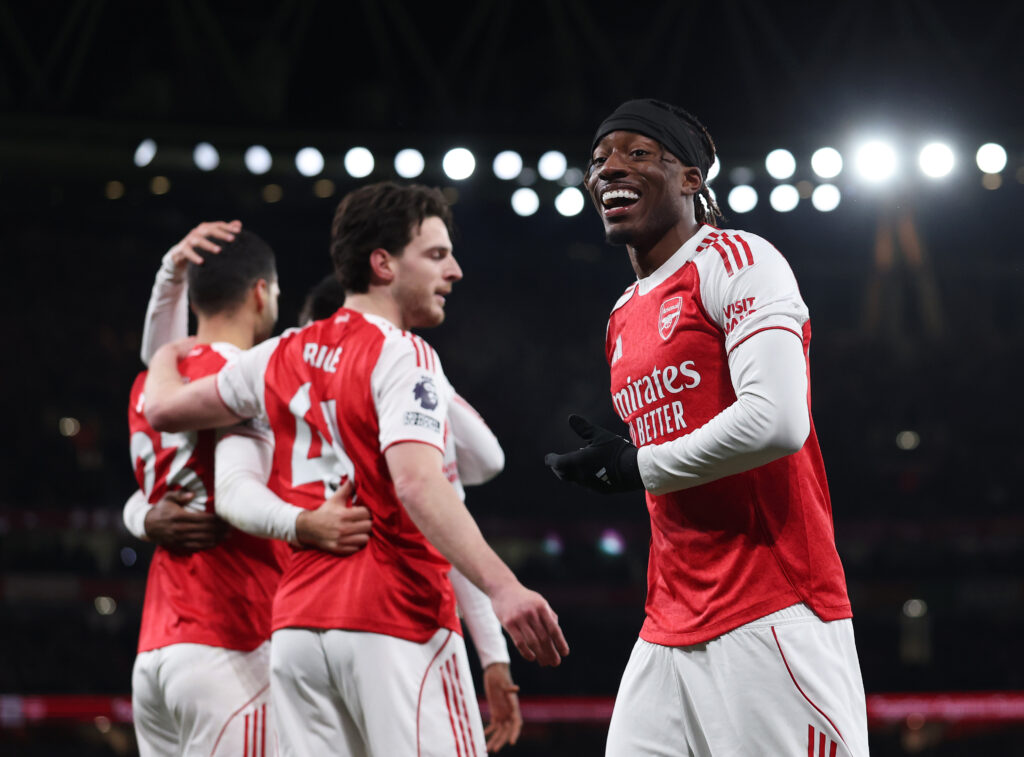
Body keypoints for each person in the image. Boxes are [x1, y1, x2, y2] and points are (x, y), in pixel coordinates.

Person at [142, 183, 566, 756]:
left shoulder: (278, 353)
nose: (456, 272)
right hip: (396, 617)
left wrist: (168, 356)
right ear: (383, 264)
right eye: (437, 255)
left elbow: (163, 410)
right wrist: (504, 588)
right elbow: (423, 483)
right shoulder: (405, 354)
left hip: (296, 631)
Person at [545, 99, 869, 756]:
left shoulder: (740, 259)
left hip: (772, 608)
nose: (610, 168)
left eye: (638, 153)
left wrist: (638, 464)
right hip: (668, 622)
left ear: (692, 178)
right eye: (599, 158)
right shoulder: (620, 314)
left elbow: (777, 422)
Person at [125, 222, 372, 756]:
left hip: (156, 652)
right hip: (232, 639)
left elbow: (158, 357)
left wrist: (139, 516)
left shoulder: (151, 382)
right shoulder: (252, 376)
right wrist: (306, 524)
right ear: (262, 291)